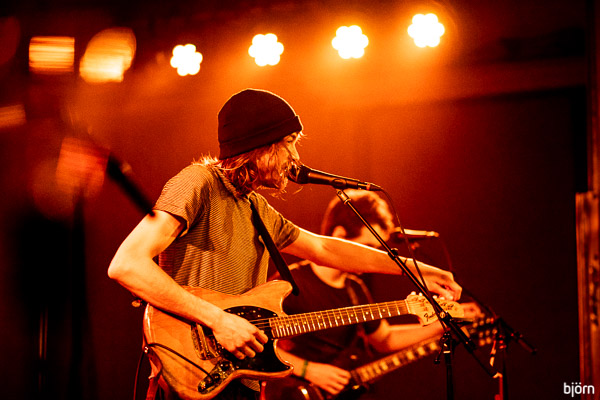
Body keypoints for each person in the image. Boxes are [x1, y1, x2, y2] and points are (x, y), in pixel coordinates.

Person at [107, 88, 462, 400]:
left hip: (239, 378)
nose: (295, 157)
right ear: (260, 144)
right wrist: (218, 320)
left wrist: (416, 271)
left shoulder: (255, 207)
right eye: (289, 142)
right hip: (190, 367)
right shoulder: (198, 182)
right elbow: (126, 264)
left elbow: (325, 249)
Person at [263, 190, 466, 400]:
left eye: (376, 250)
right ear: (340, 235)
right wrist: (308, 369)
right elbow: (256, 338)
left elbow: (384, 339)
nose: (372, 258)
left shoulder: (355, 288)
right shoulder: (288, 283)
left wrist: (441, 324)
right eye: (368, 247)